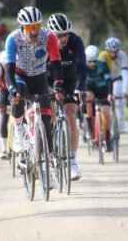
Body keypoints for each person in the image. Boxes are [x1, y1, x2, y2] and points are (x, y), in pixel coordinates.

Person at [4, 6, 63, 189]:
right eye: (30, 28)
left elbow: (56, 64)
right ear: (22, 27)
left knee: (46, 122)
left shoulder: (49, 37)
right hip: (20, 76)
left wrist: (58, 85)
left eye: (36, 26)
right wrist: (12, 90)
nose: (34, 32)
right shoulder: (13, 39)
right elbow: (9, 71)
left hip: (39, 78)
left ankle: (48, 172)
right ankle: (19, 131)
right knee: (18, 95)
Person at [46, 13, 87, 180]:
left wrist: (79, 89)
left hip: (70, 81)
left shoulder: (76, 42)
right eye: (58, 35)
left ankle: (73, 161)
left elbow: (81, 67)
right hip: (49, 80)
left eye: (66, 34)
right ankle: (49, 145)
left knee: (71, 115)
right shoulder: (44, 42)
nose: (63, 39)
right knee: (50, 111)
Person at [84, 45, 114, 152]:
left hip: (102, 89)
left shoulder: (103, 64)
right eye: (90, 61)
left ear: (98, 59)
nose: (92, 64)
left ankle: (108, 138)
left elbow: (109, 80)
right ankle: (90, 131)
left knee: (106, 112)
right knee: (88, 98)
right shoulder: (83, 65)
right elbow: (79, 79)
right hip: (90, 87)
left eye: (94, 61)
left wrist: (110, 93)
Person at [98, 37, 128, 133]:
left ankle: (120, 123)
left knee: (119, 95)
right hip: (105, 79)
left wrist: (125, 91)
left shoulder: (122, 55)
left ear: (118, 50)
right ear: (106, 50)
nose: (113, 54)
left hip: (116, 78)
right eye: (111, 52)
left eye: (115, 52)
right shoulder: (102, 55)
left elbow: (125, 73)